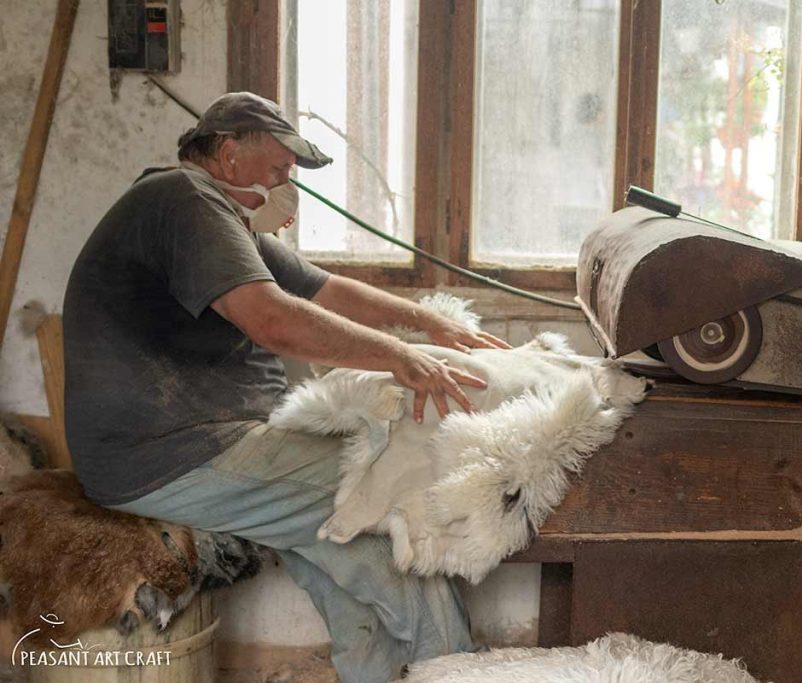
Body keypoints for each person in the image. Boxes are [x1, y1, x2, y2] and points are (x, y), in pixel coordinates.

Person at [62, 91, 510, 682]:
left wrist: (430, 322)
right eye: (276, 168)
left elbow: (323, 289)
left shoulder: (215, 212)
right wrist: (402, 357)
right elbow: (273, 319)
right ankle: (455, 674)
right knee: (389, 499)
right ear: (227, 153)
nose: (282, 182)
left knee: (362, 549)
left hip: (188, 444)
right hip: (173, 452)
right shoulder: (184, 200)